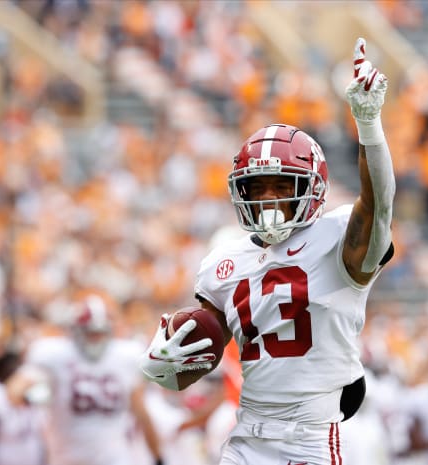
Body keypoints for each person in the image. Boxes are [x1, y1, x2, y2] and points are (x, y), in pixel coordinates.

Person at [140, 37, 395, 464]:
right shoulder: (223, 262)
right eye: (257, 188)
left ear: (311, 188)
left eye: (282, 186)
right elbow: (201, 350)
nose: (268, 200)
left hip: (310, 439)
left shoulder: (335, 239)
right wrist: (170, 358)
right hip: (245, 439)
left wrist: (368, 125)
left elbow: (380, 206)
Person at [6, 294, 165, 465]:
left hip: (113, 458)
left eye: (99, 333)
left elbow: (141, 413)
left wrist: (158, 457)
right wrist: (30, 396)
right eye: (89, 332)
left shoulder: (125, 356)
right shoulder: (55, 355)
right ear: (75, 330)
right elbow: (14, 389)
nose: (94, 338)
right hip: (67, 458)